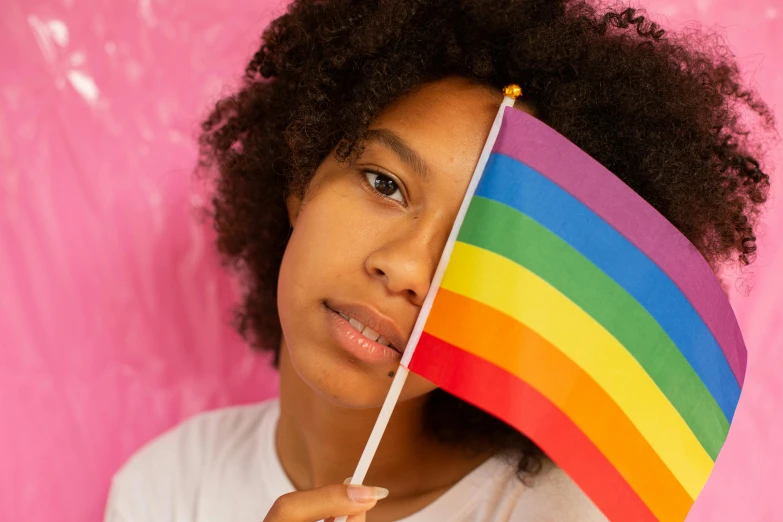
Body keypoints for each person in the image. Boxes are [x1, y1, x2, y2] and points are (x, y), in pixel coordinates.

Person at [103, 0, 774, 520]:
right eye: (384, 184)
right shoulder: (165, 485)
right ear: (299, 180)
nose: (406, 270)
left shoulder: (550, 514)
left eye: (473, 244)